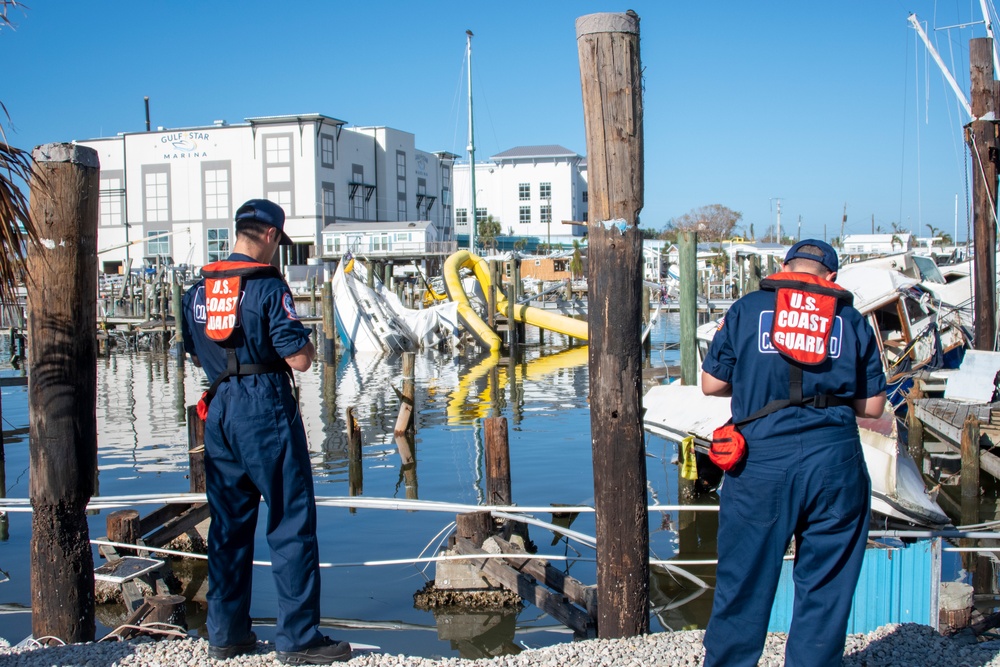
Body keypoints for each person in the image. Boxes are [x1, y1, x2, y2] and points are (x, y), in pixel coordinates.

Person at [700, 240, 886, 667]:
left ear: (784, 269)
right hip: (834, 461)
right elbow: (872, 408)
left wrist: (756, 383)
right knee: (826, 584)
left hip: (761, 460)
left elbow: (711, 384)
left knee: (743, 581)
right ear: (831, 279)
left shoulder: (749, 309)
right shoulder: (852, 320)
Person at [182, 199, 351, 664]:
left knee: (228, 526)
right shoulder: (267, 286)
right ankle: (297, 639)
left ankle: (226, 634)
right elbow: (299, 357)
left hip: (217, 408)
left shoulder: (197, 289)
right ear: (272, 237)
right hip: (264, 408)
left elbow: (196, 354)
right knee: (290, 521)